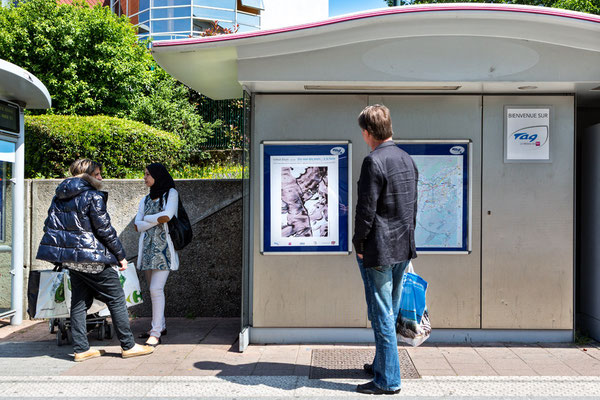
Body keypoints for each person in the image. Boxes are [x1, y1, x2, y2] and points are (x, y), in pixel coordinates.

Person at [36, 159, 155, 362]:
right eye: (98, 174)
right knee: (116, 298)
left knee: (79, 302)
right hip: (93, 259)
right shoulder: (92, 196)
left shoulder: (59, 196)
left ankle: (81, 349)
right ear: (88, 175)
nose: (101, 177)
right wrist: (120, 256)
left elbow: (51, 225)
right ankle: (128, 345)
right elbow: (105, 230)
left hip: (71, 260)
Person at [353, 105, 418, 395]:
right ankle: (382, 364)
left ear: (368, 133)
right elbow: (412, 207)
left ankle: (388, 380)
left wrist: (359, 244)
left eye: (362, 132)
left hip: (378, 249)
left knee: (381, 314)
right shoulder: (406, 159)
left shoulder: (373, 161)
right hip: (402, 247)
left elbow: (365, 211)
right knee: (389, 312)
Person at [134, 163, 180, 347]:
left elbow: (167, 216)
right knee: (152, 290)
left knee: (156, 289)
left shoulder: (171, 194)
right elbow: (137, 226)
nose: (145, 178)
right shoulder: (144, 200)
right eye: (144, 174)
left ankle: (155, 332)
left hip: (164, 251)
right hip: (146, 251)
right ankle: (160, 326)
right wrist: (153, 220)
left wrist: (146, 219)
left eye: (148, 174)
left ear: (158, 176)